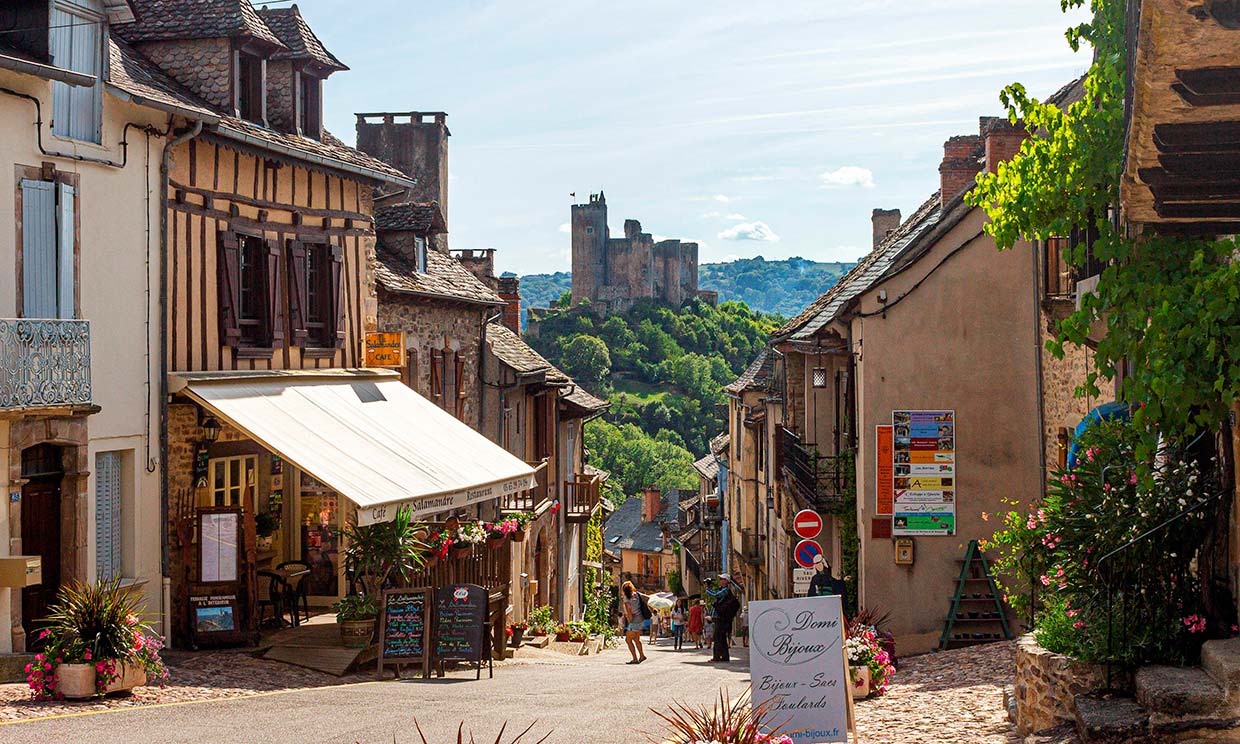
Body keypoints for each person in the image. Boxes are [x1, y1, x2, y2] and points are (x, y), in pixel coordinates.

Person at [706, 574, 740, 662]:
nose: (719, 580)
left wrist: (707, 588)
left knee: (717, 637)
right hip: (720, 617)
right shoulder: (723, 590)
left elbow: (715, 595)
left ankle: (717, 657)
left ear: (726, 581)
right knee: (721, 638)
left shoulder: (725, 590)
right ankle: (724, 656)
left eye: (721, 579)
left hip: (721, 618)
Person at [620, 581, 647, 664]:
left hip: (634, 620)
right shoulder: (636, 594)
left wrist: (630, 619)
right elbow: (646, 598)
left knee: (628, 640)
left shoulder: (626, 598)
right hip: (641, 618)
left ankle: (635, 659)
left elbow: (628, 608)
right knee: (636, 639)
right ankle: (642, 656)